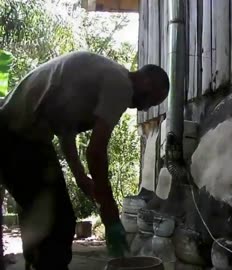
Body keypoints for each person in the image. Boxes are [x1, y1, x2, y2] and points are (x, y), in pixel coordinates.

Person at [0, 51, 170, 270]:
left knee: (39, 217)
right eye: (151, 99)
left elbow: (65, 132)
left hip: (17, 134)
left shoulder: (105, 76)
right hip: (17, 136)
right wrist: (110, 215)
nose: (145, 108)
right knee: (59, 223)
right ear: (146, 80)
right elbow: (96, 152)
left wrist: (80, 177)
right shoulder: (121, 85)